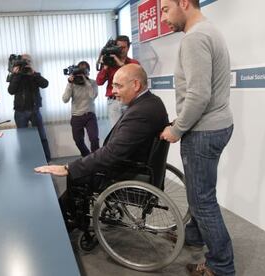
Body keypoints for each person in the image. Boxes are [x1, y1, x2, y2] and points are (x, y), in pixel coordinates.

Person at [35, 64, 168, 227]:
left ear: (136, 85)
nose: (113, 91)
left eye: (118, 86)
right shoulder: (153, 102)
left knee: (77, 176)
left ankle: (66, 222)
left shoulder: (140, 112)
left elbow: (112, 154)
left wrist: (69, 168)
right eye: (113, 86)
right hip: (142, 167)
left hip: (129, 172)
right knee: (82, 167)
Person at [159, 0, 235, 275]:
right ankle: (193, 235)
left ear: (183, 3)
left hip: (203, 131)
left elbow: (198, 94)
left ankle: (221, 266)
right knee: (198, 192)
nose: (164, 18)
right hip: (216, 125)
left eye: (166, 9)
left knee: (202, 201)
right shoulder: (209, 30)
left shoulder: (196, 38)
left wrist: (177, 128)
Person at [7, 54, 51, 161]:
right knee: (23, 137)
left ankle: (46, 159)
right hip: (20, 111)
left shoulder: (34, 74)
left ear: (31, 63)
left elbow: (45, 84)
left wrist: (34, 74)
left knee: (42, 136)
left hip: (34, 110)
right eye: (24, 61)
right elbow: (11, 91)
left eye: (28, 61)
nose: (26, 63)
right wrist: (16, 75)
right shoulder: (15, 75)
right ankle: (26, 160)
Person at [96, 35, 140, 127]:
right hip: (114, 102)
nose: (121, 50)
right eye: (118, 47)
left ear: (128, 48)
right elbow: (99, 82)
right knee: (116, 132)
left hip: (130, 101)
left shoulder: (134, 63)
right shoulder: (109, 63)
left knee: (132, 129)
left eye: (123, 47)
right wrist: (105, 67)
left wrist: (121, 65)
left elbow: (138, 79)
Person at [62, 61, 99, 157]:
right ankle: (87, 157)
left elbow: (93, 96)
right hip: (76, 116)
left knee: (94, 139)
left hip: (89, 115)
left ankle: (97, 159)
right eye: (80, 72)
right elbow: (65, 99)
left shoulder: (93, 83)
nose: (82, 74)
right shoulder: (72, 84)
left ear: (88, 72)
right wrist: (70, 84)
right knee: (78, 141)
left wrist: (86, 81)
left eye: (84, 72)